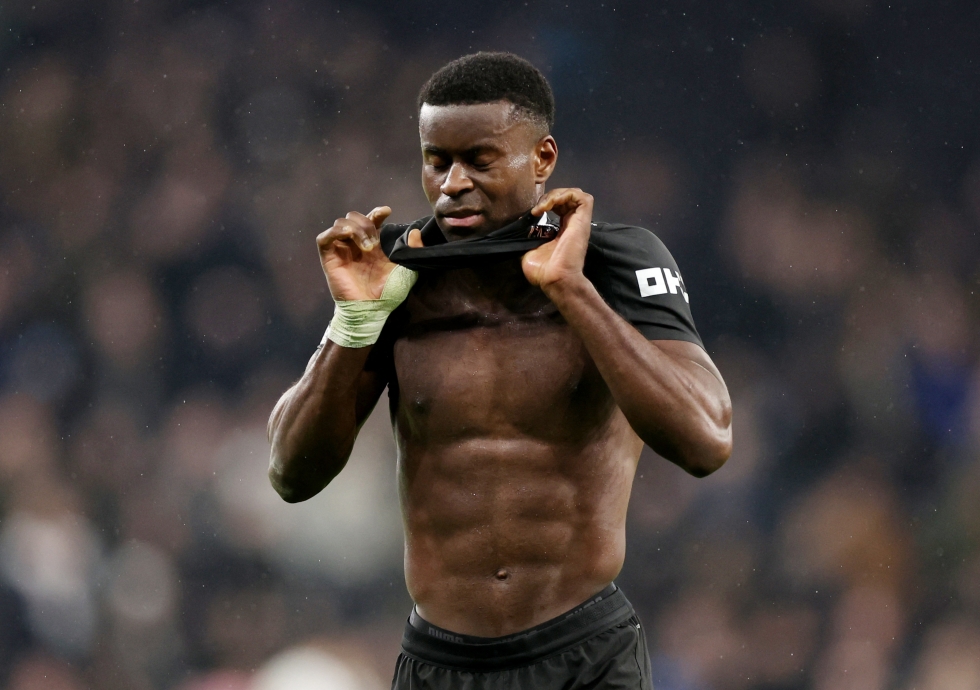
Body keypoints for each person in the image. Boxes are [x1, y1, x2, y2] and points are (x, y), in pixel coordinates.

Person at [267, 52, 732, 689]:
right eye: (436, 160)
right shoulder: (398, 276)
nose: (452, 182)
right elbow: (292, 474)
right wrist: (354, 321)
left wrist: (571, 290)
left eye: (479, 160)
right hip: (440, 665)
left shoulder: (615, 261)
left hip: (585, 655)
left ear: (542, 158)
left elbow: (706, 441)